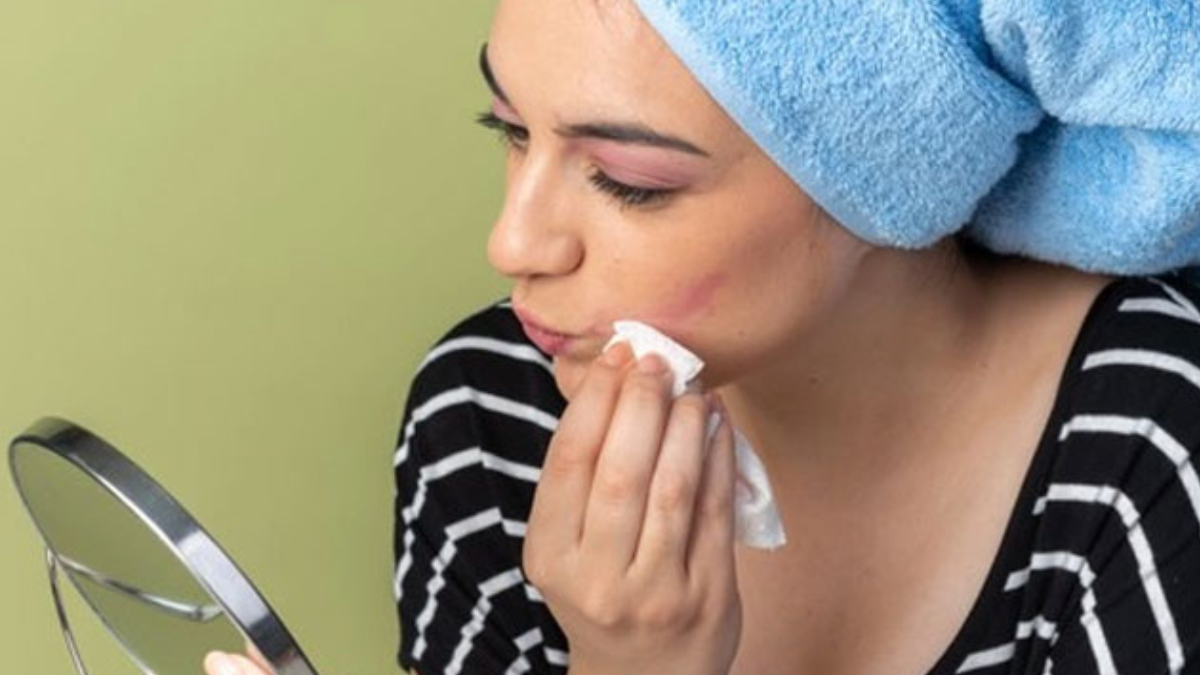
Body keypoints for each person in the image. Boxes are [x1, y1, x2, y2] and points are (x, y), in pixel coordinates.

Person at [205, 1, 1200, 674]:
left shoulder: (1152, 451)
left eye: (628, 180)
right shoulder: (486, 424)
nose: (513, 242)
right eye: (508, 129)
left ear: (881, 184)